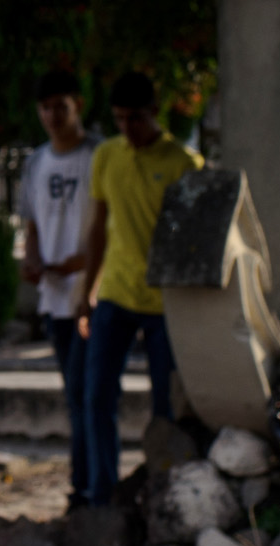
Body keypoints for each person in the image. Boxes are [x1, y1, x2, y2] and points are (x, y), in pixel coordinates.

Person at [78, 69, 202, 507]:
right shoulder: (108, 156)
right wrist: (85, 294)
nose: (128, 128)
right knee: (96, 396)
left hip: (165, 302)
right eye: (119, 119)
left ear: (154, 113)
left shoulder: (183, 165)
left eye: (135, 119)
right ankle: (102, 492)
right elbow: (98, 229)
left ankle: (166, 492)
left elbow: (194, 242)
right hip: (115, 292)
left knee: (166, 407)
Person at [17, 69, 97, 511]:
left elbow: (110, 229)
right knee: (75, 397)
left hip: (95, 294)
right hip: (54, 298)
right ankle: (82, 486)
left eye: (60, 106)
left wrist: (85, 266)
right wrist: (33, 261)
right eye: (45, 108)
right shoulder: (35, 163)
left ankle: (92, 488)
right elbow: (31, 223)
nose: (52, 115)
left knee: (91, 397)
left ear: (77, 105)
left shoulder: (99, 156)